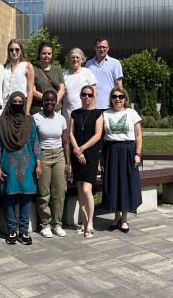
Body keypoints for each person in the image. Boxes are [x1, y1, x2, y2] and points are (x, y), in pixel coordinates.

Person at [0, 91, 41, 245]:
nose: (18, 104)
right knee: (8, 197)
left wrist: (39, 163)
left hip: (28, 164)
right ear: (10, 103)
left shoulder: (29, 121)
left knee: (26, 197)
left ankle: (24, 230)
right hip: (8, 163)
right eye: (15, 101)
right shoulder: (1, 122)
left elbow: (35, 141)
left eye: (21, 102)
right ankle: (12, 230)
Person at [101, 86, 143, 233]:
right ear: (111, 99)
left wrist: (138, 153)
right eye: (114, 96)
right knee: (113, 183)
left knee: (125, 183)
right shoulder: (105, 114)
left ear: (125, 98)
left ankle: (124, 218)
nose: (117, 99)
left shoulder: (132, 113)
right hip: (111, 150)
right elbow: (100, 136)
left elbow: (138, 135)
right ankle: (116, 215)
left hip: (128, 151)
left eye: (120, 96)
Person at [33, 90, 71, 238]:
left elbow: (66, 142)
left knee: (59, 192)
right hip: (43, 155)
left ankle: (57, 224)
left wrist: (68, 163)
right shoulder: (36, 118)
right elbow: (34, 142)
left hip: (59, 155)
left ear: (56, 102)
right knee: (44, 193)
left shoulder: (61, 119)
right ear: (42, 102)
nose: (49, 103)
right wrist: (37, 161)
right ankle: (45, 224)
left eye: (51, 100)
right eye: (46, 100)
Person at [68, 85, 103, 238]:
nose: (87, 97)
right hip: (77, 156)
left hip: (90, 155)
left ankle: (90, 223)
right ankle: (83, 221)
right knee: (80, 191)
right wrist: (76, 150)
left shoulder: (98, 114)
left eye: (89, 95)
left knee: (87, 190)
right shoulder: (75, 113)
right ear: (80, 96)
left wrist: (82, 149)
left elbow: (98, 135)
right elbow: (70, 133)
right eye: (84, 95)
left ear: (94, 96)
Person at [62, 48, 97, 125]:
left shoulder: (87, 73)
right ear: (69, 59)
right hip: (67, 113)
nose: (75, 59)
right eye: (72, 57)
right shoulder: (64, 75)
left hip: (84, 111)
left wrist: (92, 110)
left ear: (82, 59)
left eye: (77, 57)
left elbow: (94, 93)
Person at [86, 37, 123, 110]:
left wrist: (120, 102)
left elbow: (119, 85)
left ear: (108, 48)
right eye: (99, 47)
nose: (102, 49)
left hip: (109, 105)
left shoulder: (115, 63)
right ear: (95, 48)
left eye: (104, 47)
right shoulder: (88, 64)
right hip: (92, 105)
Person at [30, 42, 65, 115]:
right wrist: (48, 100)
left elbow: (62, 89)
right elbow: (32, 90)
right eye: (44, 53)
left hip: (55, 109)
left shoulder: (57, 69)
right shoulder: (33, 70)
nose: (46, 56)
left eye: (49, 53)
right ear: (39, 54)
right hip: (39, 108)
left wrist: (54, 102)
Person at [3, 39, 34, 114]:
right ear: (8, 51)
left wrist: (27, 111)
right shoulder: (4, 67)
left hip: (20, 105)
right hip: (5, 106)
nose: (14, 52)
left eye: (17, 49)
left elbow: (30, 91)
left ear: (21, 51)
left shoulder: (27, 66)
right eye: (11, 50)